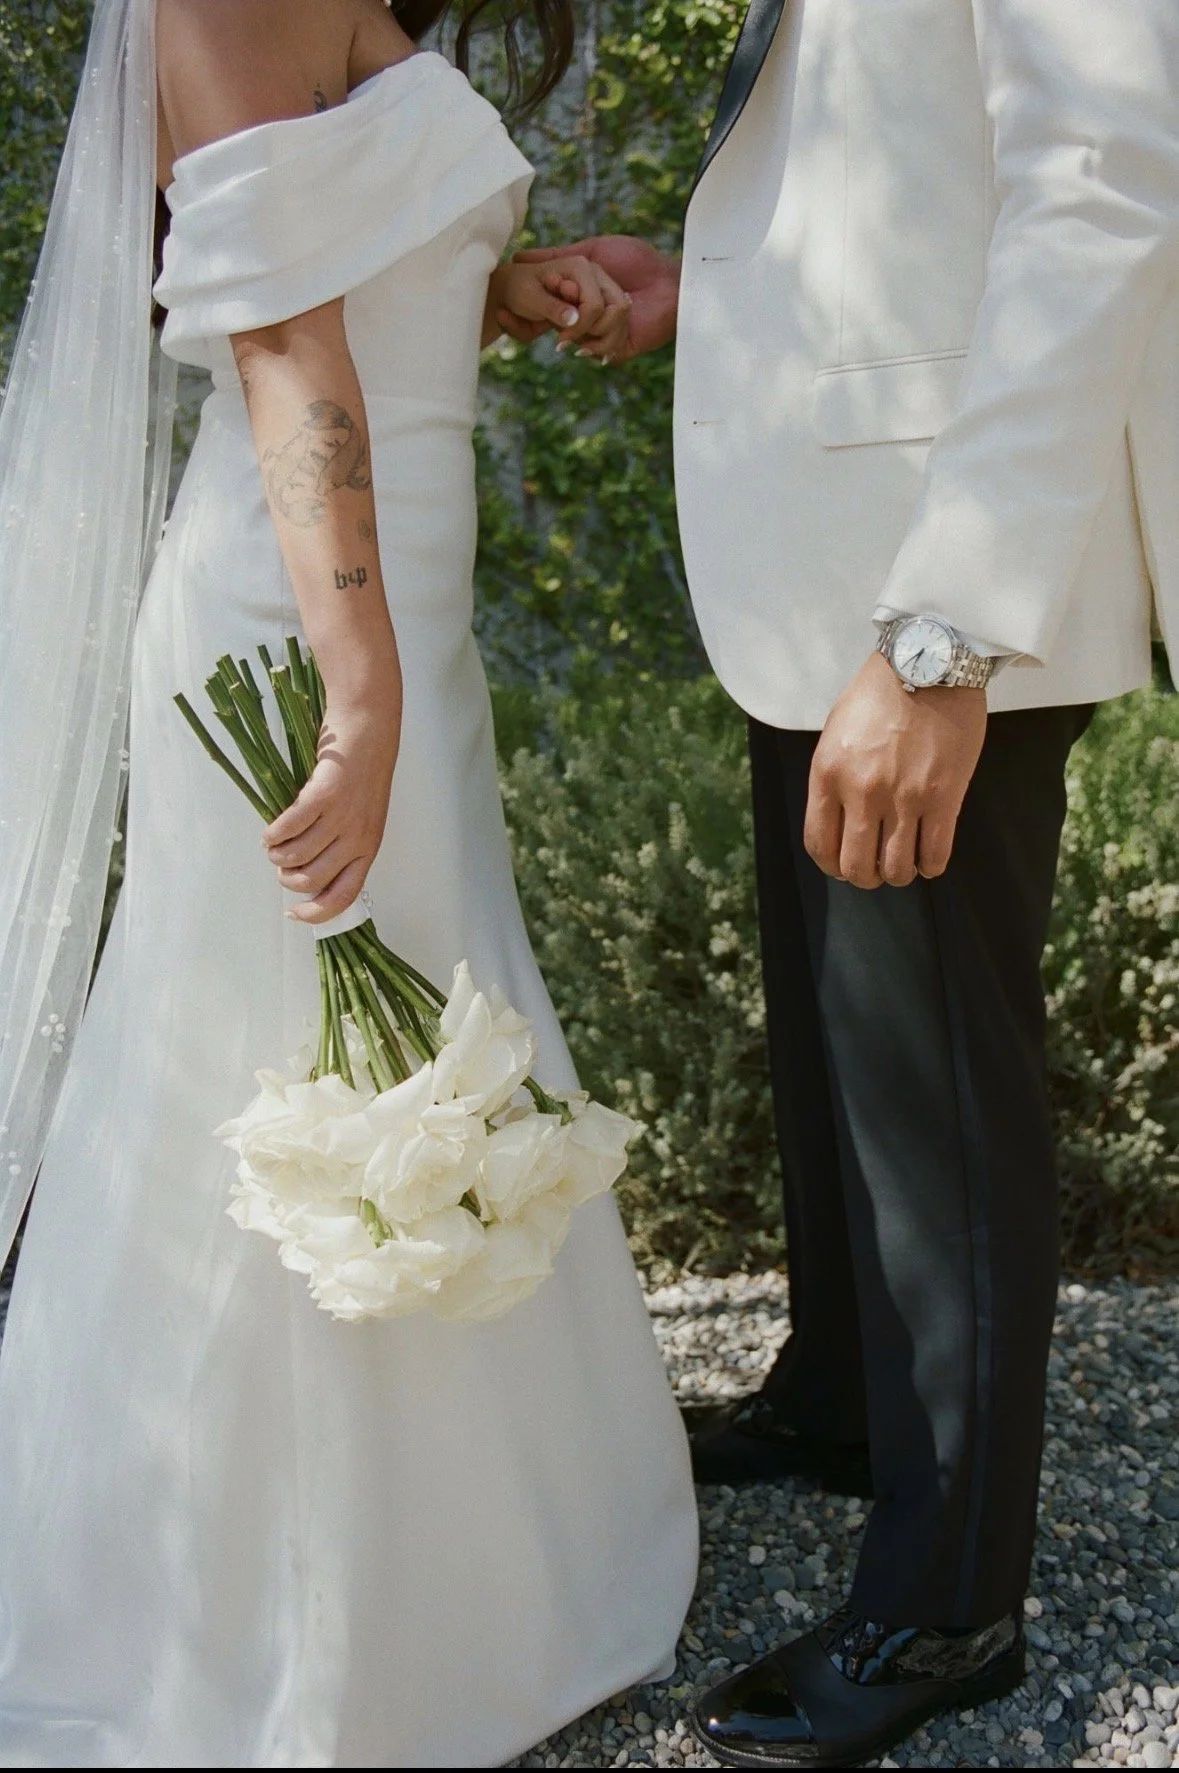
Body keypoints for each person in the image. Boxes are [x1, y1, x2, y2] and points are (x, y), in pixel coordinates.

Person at [0, 1, 698, 1763]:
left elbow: (373, 270)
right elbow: (285, 343)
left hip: (405, 628)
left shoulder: (364, 6)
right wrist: (360, 687)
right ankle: (236, 1611)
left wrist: (509, 284)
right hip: (300, 632)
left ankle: (467, 1576)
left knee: (428, 1041)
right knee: (262, 1075)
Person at [507, 0, 1179, 1763]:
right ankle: (840, 1402)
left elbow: (1104, 182)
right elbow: (901, 180)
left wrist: (945, 634)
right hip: (832, 554)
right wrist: (701, 291)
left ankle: (947, 1603)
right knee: (833, 1032)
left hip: (944, 588)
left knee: (928, 1079)